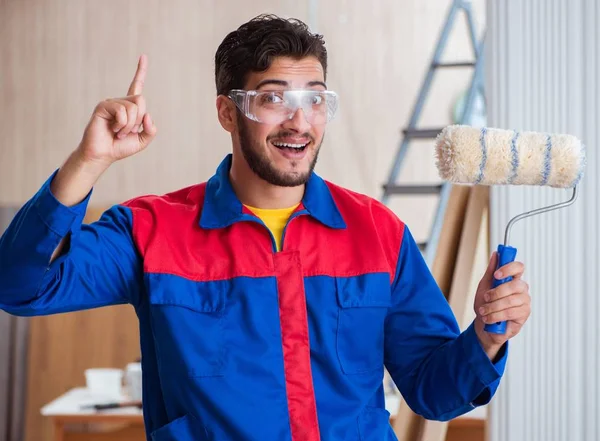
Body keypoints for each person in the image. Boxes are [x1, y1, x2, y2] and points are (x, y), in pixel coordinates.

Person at [0, 14, 531, 441]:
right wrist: (88, 162)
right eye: (274, 99)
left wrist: (485, 337)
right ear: (228, 114)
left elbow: (434, 393)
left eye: (314, 99)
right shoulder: (152, 232)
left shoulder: (377, 233)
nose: (299, 122)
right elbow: (19, 285)